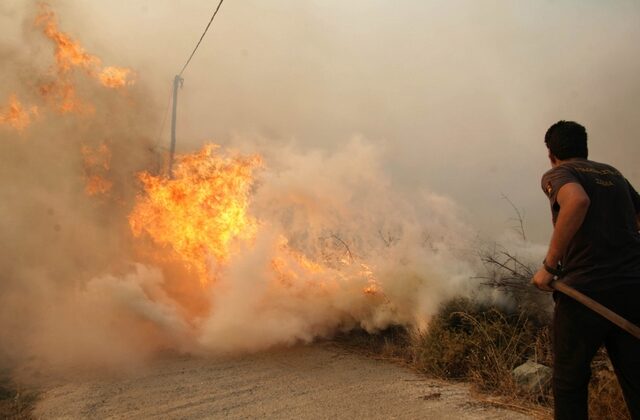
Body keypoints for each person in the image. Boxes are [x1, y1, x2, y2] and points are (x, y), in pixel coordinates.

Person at [532, 120, 640, 420]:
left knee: (569, 381)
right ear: (586, 148)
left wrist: (549, 266)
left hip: (584, 294)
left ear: (551, 153)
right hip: (632, 290)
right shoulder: (613, 174)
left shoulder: (559, 173)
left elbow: (577, 201)